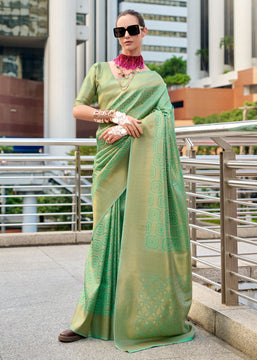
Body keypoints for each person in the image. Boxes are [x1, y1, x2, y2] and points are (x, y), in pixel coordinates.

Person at [58, 9, 195, 353]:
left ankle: (136, 318)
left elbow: (164, 118)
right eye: (120, 31)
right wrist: (114, 115)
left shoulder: (155, 82)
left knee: (134, 239)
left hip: (138, 164)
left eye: (132, 29)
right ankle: (88, 319)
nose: (126, 35)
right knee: (103, 240)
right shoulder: (100, 70)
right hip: (108, 164)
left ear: (144, 32)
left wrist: (129, 128)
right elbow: (78, 108)